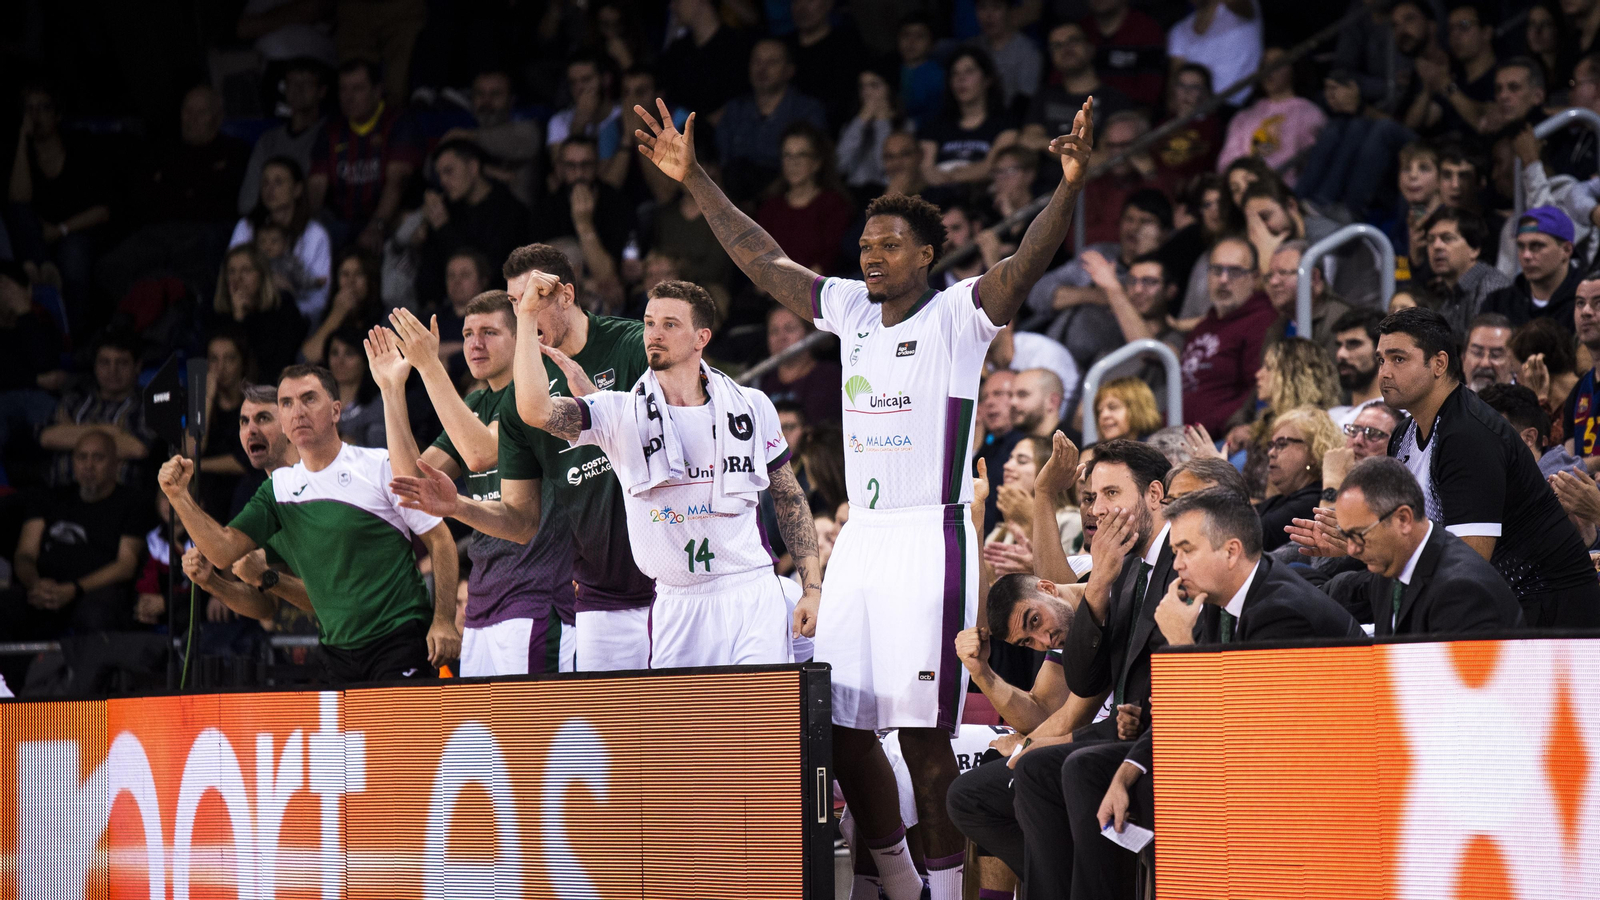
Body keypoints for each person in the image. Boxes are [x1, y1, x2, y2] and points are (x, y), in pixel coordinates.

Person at [631, 87, 1096, 900]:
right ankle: (899, 881)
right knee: (838, 732)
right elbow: (761, 257)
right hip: (864, 540)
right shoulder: (849, 308)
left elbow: (1024, 264)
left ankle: (946, 894)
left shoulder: (959, 314)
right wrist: (696, 177)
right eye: (866, 244)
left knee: (921, 738)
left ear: (926, 254)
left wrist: (1067, 188)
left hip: (931, 538)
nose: (871, 255)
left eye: (889, 245)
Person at [512, 277, 818, 667]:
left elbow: (789, 496)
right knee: (686, 729)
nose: (654, 334)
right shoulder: (617, 411)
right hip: (678, 601)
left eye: (670, 324)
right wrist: (525, 315)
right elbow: (534, 410)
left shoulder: (752, 404)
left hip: (750, 591)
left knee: (753, 726)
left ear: (700, 337)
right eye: (649, 323)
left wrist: (812, 587)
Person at [391, 243, 654, 670]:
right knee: (606, 735)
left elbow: (479, 453)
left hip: (666, 583)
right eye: (516, 303)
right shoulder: (517, 398)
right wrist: (458, 505)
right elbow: (518, 519)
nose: (523, 312)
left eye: (532, 300)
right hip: (596, 597)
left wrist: (429, 366)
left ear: (566, 296)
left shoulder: (630, 345)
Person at [1087, 488, 1360, 862]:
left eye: (1186, 550)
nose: (1177, 564)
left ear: (1231, 551)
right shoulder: (1218, 598)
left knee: (1170, 790)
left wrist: (1182, 645)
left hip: (1324, 774)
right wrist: (1127, 771)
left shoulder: (1282, 612)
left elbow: (1245, 729)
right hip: (1263, 761)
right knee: (1092, 772)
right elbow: (1188, 714)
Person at [158, 365, 461, 682]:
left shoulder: (380, 465)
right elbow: (224, 552)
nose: (297, 411)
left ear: (335, 411)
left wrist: (443, 619)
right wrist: (179, 496)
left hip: (399, 639)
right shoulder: (275, 490)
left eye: (308, 399)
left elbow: (441, 540)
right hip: (336, 650)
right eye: (287, 403)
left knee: (392, 732)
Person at [368, 293, 573, 676]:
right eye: (467, 333)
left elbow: (481, 453)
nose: (475, 344)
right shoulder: (476, 402)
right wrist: (392, 389)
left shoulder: (537, 396)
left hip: (535, 598)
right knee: (485, 735)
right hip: (481, 602)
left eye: (489, 332)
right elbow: (411, 483)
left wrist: (430, 367)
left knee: (530, 734)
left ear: (522, 340)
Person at [1376, 307, 1600, 626]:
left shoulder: (1469, 435)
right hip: (1493, 605)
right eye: (1381, 359)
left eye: (1398, 359)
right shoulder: (1403, 434)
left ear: (1439, 363)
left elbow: (1469, 566)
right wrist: (1358, 536)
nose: (1384, 372)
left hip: (1547, 617)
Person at [1331, 457, 1523, 634]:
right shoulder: (1391, 565)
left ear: (1403, 519)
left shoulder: (1461, 591)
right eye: (1346, 535)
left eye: (1359, 535)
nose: (1352, 549)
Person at [8, 431, 144, 637]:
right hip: (42, 589)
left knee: (96, 613)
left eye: (98, 458)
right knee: (7, 605)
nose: (88, 465)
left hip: (92, 592)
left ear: (116, 464)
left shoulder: (131, 503)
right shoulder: (49, 497)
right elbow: (25, 553)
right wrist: (35, 584)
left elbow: (126, 565)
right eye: (82, 457)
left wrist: (74, 589)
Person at [9, 82, 112, 321]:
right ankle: (41, 270)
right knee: (17, 216)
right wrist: (23, 141)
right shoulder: (21, 156)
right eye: (29, 109)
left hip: (75, 231)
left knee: (74, 256)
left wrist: (60, 230)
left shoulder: (81, 147)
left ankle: (74, 338)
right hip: (36, 239)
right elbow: (19, 201)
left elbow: (103, 209)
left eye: (43, 108)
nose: (35, 115)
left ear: (57, 114)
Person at [308, 59, 421, 251]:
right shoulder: (330, 130)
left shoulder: (398, 123)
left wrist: (377, 225)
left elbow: (397, 182)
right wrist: (304, 228)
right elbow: (316, 184)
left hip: (388, 219)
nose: (349, 97)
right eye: (343, 89)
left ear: (377, 92)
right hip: (343, 222)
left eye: (358, 89)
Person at [412, 140, 529, 307]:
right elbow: (428, 274)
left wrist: (444, 228)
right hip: (448, 312)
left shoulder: (509, 210)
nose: (443, 181)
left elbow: (492, 269)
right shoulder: (446, 210)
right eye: (439, 175)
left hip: (499, 307)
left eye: (449, 171)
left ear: (473, 167)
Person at [1180, 237, 1277, 435]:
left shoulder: (1263, 322)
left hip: (1223, 438)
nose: (1223, 279)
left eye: (1235, 271)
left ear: (1255, 277)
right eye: (1217, 270)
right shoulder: (1203, 326)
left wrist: (1211, 426)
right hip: (1186, 436)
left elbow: (1258, 391)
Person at [716, 39, 829, 204]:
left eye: (772, 62)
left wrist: (764, 201)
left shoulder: (807, 110)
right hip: (734, 198)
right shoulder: (735, 109)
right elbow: (722, 160)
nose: (762, 69)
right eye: (757, 61)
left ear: (789, 70)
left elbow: (812, 163)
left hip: (786, 198)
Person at [39, 331, 155, 487]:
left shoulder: (147, 405)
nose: (113, 370)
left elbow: (137, 448)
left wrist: (72, 431)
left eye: (122, 363)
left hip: (120, 498)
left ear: (137, 366)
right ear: (95, 366)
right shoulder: (74, 400)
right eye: (105, 362)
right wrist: (110, 431)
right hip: (62, 492)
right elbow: (48, 438)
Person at [230, 156, 333, 320]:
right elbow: (231, 274)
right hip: (248, 309)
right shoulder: (246, 226)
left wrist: (289, 298)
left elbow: (319, 299)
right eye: (265, 182)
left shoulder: (315, 233)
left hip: (296, 317)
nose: (270, 189)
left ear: (297, 189)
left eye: (278, 182)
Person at [756, 122, 855, 274]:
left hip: (815, 289)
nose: (793, 163)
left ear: (816, 162)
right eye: (787, 155)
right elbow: (759, 256)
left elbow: (830, 257)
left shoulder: (832, 205)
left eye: (801, 155)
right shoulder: (771, 207)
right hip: (771, 290)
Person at [920, 48, 1021, 197]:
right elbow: (925, 169)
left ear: (987, 79)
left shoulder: (1005, 124)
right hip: (939, 199)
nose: (961, 79)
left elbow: (992, 167)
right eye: (955, 73)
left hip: (983, 200)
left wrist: (949, 176)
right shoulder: (935, 126)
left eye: (969, 72)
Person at [1216, 47, 1326, 183]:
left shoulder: (1310, 113)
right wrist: (1257, 155)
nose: (1269, 71)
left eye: (1277, 63)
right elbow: (1225, 164)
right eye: (1264, 65)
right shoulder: (1244, 116)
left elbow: (1315, 164)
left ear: (1293, 68)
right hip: (1246, 191)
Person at [1021, 23, 1132, 156]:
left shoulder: (1115, 100)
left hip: (1093, 177)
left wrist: (1047, 144)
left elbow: (1110, 161)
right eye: (1057, 46)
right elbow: (1028, 141)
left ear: (1090, 48)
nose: (1066, 48)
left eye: (1073, 41)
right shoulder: (1044, 96)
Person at [236, 58, 328, 218]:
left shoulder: (330, 134)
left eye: (306, 83)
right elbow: (247, 203)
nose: (298, 89)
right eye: (292, 83)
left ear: (321, 91)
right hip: (268, 227)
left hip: (308, 224)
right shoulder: (268, 141)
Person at [443, 69, 543, 206]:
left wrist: (467, 137)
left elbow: (527, 143)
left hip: (517, 220)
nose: (486, 101)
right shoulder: (463, 136)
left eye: (495, 94)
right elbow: (433, 168)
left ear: (511, 100)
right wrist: (488, 171)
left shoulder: (526, 131)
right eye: (480, 94)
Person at [209, 244, 308, 382]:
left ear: (262, 274)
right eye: (231, 271)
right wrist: (238, 318)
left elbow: (277, 363)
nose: (237, 278)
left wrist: (245, 321)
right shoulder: (217, 315)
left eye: (246, 270)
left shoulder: (283, 308)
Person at [1482, 206, 1583, 331]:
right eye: (1521, 246)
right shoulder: (1498, 304)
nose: (1526, 255)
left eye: (1537, 246)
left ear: (1566, 250)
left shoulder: (1585, 305)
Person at [1259, 406, 1342, 552]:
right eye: (1271, 445)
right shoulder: (1281, 499)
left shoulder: (1312, 503)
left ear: (1312, 452)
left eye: (1282, 444)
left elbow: (1250, 533)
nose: (1271, 453)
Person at [1420, 206, 1512, 336]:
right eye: (1430, 240)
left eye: (1447, 238)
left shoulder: (1492, 287)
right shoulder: (1444, 294)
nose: (1436, 246)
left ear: (1474, 249)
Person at [788, 0, 869, 128]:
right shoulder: (782, 48)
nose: (801, 8)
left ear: (828, 4)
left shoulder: (847, 47)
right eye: (797, 1)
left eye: (810, 1)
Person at [1167, 0, 1262, 105]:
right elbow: (1174, 82)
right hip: (1201, 111)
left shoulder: (1242, 7)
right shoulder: (1179, 31)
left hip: (1241, 105)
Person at [759, 305, 841, 427]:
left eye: (790, 329)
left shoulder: (829, 377)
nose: (781, 337)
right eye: (774, 331)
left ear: (808, 333)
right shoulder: (762, 380)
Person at [1080, 0, 1167, 108]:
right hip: (1084, 111)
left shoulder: (1147, 30)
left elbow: (1150, 93)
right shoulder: (1079, 30)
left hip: (1130, 115)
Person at [302, 250, 380, 364]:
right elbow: (306, 358)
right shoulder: (322, 315)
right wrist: (337, 313)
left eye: (359, 274)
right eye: (345, 274)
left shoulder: (385, 315)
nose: (351, 281)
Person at [975, 370, 1022, 534]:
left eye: (998, 394)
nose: (989, 402)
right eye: (984, 397)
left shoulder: (1026, 445)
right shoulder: (987, 448)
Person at [971, 0, 1041, 110]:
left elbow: (1026, 99)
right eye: (982, 7)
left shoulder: (1028, 51)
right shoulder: (971, 47)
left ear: (1010, 12)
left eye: (996, 7)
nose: (988, 15)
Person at [1563, 277, 1600, 469]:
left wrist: (1581, 467)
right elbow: (1568, 462)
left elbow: (1571, 467)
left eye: (1598, 303)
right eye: (1580, 303)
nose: (1586, 311)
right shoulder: (1578, 391)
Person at [1327, 308, 1387, 424]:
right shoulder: (1332, 416)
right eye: (1339, 345)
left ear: (1381, 350)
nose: (1341, 354)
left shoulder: (1395, 418)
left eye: (1353, 344)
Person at [1094, 378, 1162, 442]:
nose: (1103, 415)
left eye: (1113, 407)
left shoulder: (1160, 449)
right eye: (1099, 411)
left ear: (1138, 409)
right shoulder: (1094, 452)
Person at [1464, 313, 1516, 392]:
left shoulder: (1529, 402)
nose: (1485, 363)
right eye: (1477, 353)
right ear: (1463, 358)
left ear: (1514, 363)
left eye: (1496, 355)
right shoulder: (1446, 402)